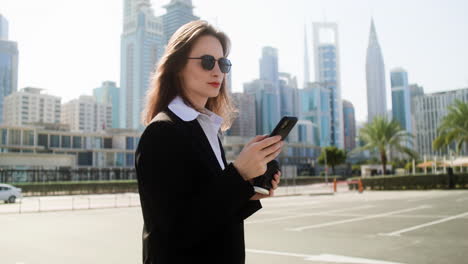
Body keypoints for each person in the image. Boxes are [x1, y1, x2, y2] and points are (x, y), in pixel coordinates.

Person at [135, 20, 284, 264]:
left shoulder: (209, 129)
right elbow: (175, 231)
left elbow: (208, 207)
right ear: (178, 66)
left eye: (223, 63)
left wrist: (249, 190)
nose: (218, 72)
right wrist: (238, 173)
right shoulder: (162, 132)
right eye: (207, 62)